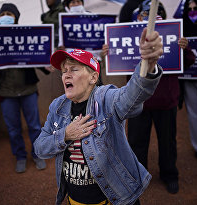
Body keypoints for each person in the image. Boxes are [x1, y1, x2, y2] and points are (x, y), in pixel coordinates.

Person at [34, 26, 163, 204]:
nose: (66, 75)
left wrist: (148, 65)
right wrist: (65, 135)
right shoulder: (57, 106)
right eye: (64, 71)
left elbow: (132, 96)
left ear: (93, 78)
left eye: (74, 69)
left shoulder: (106, 98)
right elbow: (40, 148)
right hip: (75, 200)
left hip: (115, 198)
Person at [126, 0, 195, 195]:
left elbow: (188, 62)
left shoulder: (173, 36)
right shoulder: (130, 35)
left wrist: (184, 48)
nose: (150, 17)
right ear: (139, 17)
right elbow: (122, 65)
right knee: (136, 142)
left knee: (167, 142)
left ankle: (169, 174)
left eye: (155, 13)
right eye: (146, 14)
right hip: (138, 101)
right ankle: (137, 177)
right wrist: (110, 52)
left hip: (166, 101)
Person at [0, 3, 49, 173]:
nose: (6, 16)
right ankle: (20, 156)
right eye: (3, 13)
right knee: (13, 129)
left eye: (9, 14)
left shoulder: (26, 34)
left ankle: (37, 154)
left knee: (35, 126)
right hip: (5, 93)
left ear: (16, 17)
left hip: (28, 90)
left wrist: (47, 67)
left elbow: (36, 55)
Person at [181, 0, 197, 159]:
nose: (193, 12)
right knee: (194, 112)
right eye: (189, 9)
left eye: (196, 9)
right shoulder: (182, 28)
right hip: (189, 78)